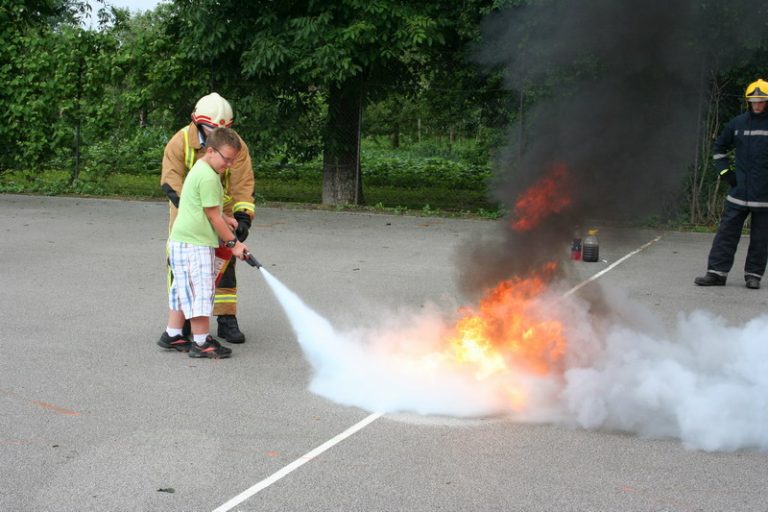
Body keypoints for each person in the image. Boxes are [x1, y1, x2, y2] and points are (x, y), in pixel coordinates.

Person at [160, 93, 255, 342]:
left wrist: (242, 217)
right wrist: (214, 223)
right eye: (211, 128)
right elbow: (171, 182)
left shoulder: (236, 145)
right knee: (185, 270)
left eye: (223, 129)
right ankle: (189, 328)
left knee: (223, 266)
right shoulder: (179, 141)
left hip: (220, 214)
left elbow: (243, 183)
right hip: (188, 218)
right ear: (197, 122)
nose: (217, 132)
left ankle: (226, 319)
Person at [695, 79, 768, 290]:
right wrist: (726, 173)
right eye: (754, 101)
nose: (757, 105)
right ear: (748, 101)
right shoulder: (737, 124)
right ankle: (716, 273)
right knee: (726, 233)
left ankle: (753, 276)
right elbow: (719, 148)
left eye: (761, 101)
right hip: (739, 192)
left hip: (764, 195)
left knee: (761, 239)